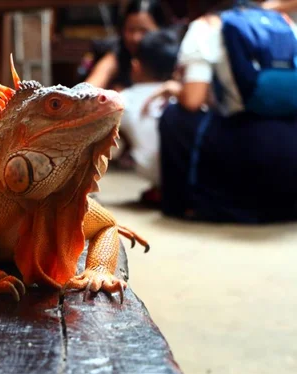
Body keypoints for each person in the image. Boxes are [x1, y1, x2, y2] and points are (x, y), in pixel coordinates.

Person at [144, 0, 297, 223]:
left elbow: (193, 100)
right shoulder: (283, 22)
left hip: (253, 147)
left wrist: (175, 88)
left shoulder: (206, 25)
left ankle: (183, 205)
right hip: (291, 147)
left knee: (175, 116)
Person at [115, 29, 179, 205]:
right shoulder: (183, 95)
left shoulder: (125, 98)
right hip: (191, 172)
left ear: (135, 66)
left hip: (152, 171)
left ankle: (160, 188)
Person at [84, 0, 169, 91]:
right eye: (131, 30)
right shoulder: (116, 56)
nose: (136, 38)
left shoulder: (171, 55)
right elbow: (90, 89)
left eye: (143, 31)